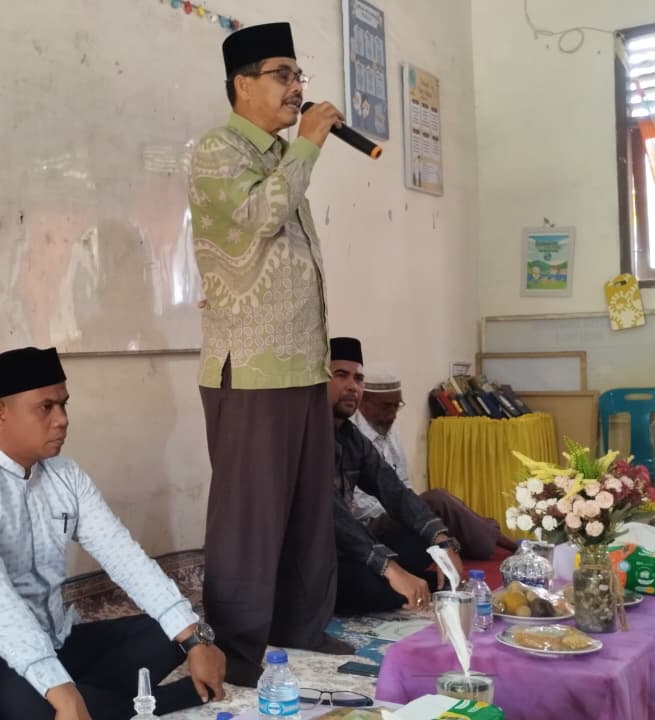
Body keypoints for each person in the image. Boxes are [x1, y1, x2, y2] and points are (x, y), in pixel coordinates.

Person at [0, 347, 226, 720]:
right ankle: (159, 700)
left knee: (169, 634)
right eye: (45, 407)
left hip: (56, 642)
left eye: (63, 405)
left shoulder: (65, 475)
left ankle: (93, 703)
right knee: (35, 705)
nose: (62, 420)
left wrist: (194, 637)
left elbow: (123, 556)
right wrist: (56, 687)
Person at [188, 21, 352, 685]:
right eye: (282, 75)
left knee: (309, 515)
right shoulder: (218, 150)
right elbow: (261, 216)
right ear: (242, 84)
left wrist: (297, 149)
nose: (296, 88)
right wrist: (308, 145)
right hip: (250, 368)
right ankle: (240, 653)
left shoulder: (282, 156)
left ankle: (302, 635)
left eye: (297, 75)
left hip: (301, 364)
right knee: (249, 524)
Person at [326, 338, 465, 615]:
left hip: (351, 551)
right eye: (341, 375)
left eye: (358, 379)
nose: (352, 386)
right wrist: (390, 568)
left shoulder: (352, 438)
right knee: (367, 585)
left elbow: (396, 492)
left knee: (423, 537)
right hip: (311, 562)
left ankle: (410, 584)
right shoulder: (302, 439)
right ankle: (417, 584)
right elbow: (335, 519)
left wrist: (442, 542)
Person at [353, 372, 517, 561]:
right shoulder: (352, 437)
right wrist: (408, 510)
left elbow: (403, 482)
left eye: (396, 406)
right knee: (437, 500)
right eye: (386, 406)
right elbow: (359, 505)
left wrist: (414, 508)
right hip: (367, 524)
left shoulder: (391, 432)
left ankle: (495, 538)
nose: (393, 414)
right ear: (363, 402)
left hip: (396, 511)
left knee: (439, 504)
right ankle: (509, 544)